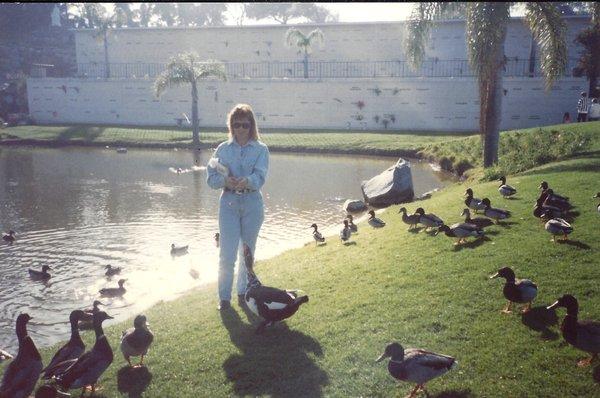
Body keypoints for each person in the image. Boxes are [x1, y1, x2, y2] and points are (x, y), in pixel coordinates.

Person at [206, 104, 269, 311]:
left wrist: (246, 181)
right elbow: (211, 179)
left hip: (252, 203)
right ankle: (224, 298)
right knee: (227, 254)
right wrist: (226, 181)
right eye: (236, 125)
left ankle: (242, 293)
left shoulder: (261, 150)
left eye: (245, 125)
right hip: (229, 204)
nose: (240, 129)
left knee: (247, 252)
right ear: (231, 126)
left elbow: (260, 178)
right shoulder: (222, 149)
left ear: (251, 126)